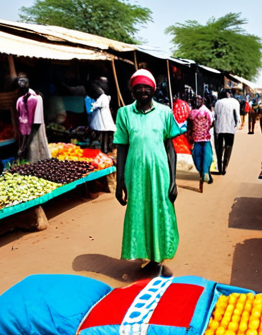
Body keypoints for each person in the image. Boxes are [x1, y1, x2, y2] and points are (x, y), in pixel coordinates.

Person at [114, 69, 179, 275]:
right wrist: (119, 181)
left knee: (160, 211)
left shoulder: (165, 113)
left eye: (147, 87)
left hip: (160, 173)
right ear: (132, 92)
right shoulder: (124, 113)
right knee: (139, 211)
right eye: (138, 87)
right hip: (135, 173)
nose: (143, 90)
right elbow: (122, 147)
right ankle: (146, 255)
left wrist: (174, 180)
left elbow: (170, 147)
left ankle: (158, 258)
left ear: (153, 90)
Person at [16, 77, 51, 163]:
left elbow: (38, 117)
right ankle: (23, 158)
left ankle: (36, 161)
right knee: (24, 146)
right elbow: (19, 112)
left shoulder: (36, 98)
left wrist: (34, 127)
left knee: (35, 145)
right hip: (24, 127)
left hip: (35, 126)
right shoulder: (20, 100)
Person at [187, 96, 214, 193]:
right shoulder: (205, 111)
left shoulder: (192, 113)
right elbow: (211, 123)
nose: (197, 102)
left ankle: (205, 173)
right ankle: (205, 173)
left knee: (202, 158)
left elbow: (189, 126)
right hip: (202, 139)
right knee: (205, 157)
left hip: (200, 139)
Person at [213, 89, 240, 175]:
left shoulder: (218, 102)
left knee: (219, 148)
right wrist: (236, 126)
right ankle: (225, 166)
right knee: (228, 148)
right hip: (230, 129)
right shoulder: (235, 102)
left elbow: (215, 115)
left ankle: (220, 168)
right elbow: (237, 116)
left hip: (219, 128)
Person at [87, 77, 116, 153]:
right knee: (103, 133)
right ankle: (104, 149)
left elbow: (97, 105)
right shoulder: (104, 97)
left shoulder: (103, 97)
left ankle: (104, 150)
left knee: (102, 132)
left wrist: (93, 106)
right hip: (101, 116)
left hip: (102, 118)